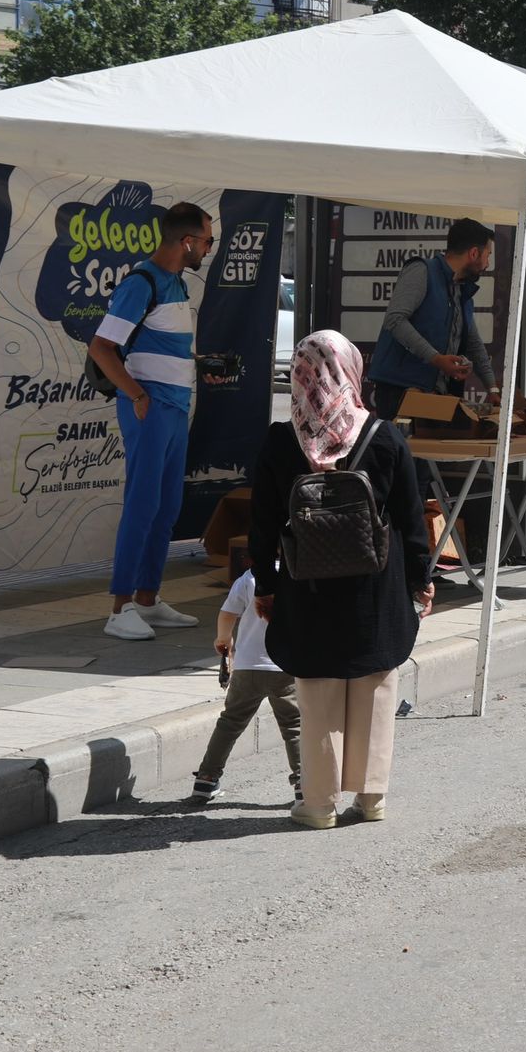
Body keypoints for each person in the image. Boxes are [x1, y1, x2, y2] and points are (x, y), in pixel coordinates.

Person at [251, 331, 432, 829]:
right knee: (375, 685)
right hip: (377, 587)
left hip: (307, 588)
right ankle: (371, 798)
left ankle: (318, 804)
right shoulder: (385, 436)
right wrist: (421, 579)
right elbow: (412, 519)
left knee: (317, 692)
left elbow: (263, 523)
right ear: (351, 370)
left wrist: (264, 585)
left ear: (302, 374)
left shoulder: (279, 440)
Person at [89, 200, 215, 642]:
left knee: (166, 508)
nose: (208, 248)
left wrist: (202, 363)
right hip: (150, 407)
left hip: (175, 405)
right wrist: (137, 394)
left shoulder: (176, 283)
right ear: (186, 241)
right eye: (207, 241)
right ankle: (119, 607)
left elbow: (166, 346)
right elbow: (101, 347)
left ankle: (147, 598)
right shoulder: (142, 282)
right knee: (143, 505)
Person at [188, 568, 301, 807]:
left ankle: (207, 778)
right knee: (294, 725)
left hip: (248, 666)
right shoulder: (299, 573)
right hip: (285, 665)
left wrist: (223, 639)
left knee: (230, 722)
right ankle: (303, 782)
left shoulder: (250, 577)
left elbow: (228, 613)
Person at [366, 218, 496, 420]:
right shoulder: (422, 271)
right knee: (403, 451)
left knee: (428, 451)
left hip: (434, 394)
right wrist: (436, 358)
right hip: (400, 390)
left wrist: (493, 389)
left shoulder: (461, 290)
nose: (487, 264)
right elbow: (395, 319)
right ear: (473, 253)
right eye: (487, 256)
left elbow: (473, 342)